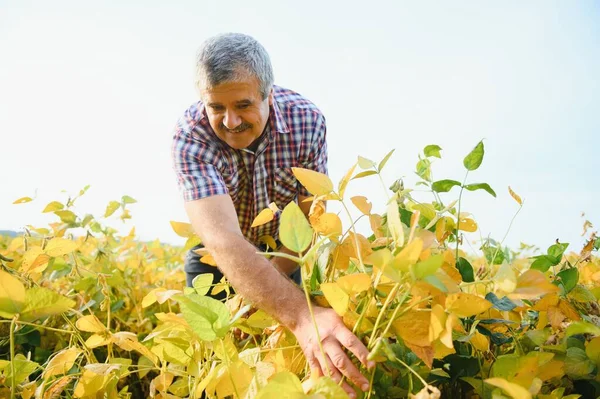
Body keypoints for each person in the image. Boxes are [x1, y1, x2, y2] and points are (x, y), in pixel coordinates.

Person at [171, 33, 374, 398]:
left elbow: (309, 219)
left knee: (285, 365)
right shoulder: (190, 137)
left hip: (286, 252)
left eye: (243, 105)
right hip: (215, 262)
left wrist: (272, 302)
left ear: (268, 93)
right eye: (216, 107)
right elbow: (222, 240)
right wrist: (299, 315)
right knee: (209, 370)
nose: (230, 121)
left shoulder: (307, 122)